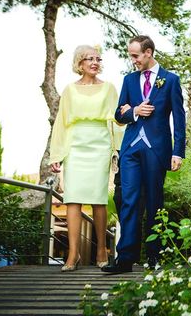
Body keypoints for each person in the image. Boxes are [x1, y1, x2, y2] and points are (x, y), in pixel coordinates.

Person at [102, 35, 186, 274]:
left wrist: (178, 151)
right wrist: (135, 111)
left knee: (154, 203)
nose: (133, 60)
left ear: (148, 52)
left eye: (135, 55)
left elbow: (179, 119)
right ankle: (124, 260)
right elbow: (119, 114)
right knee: (128, 200)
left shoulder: (170, 80)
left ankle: (154, 257)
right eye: (131, 55)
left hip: (157, 150)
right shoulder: (128, 80)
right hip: (130, 149)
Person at [50, 45, 121, 271]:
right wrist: (57, 153)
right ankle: (73, 254)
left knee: (99, 198)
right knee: (72, 198)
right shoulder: (69, 90)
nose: (94, 62)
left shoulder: (109, 88)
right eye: (89, 59)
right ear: (79, 63)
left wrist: (118, 149)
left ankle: (101, 249)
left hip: (99, 145)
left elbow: (118, 120)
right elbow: (61, 122)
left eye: (97, 59)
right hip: (75, 146)